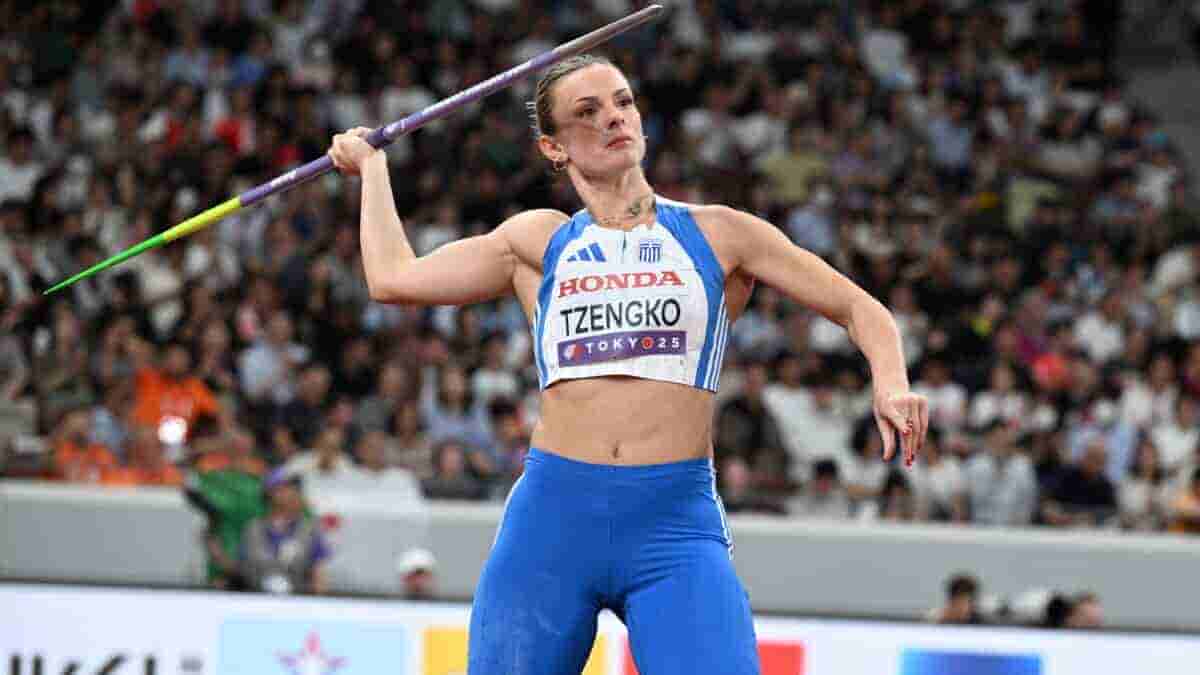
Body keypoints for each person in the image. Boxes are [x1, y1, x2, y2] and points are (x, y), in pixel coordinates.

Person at [327, 54, 929, 675]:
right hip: (552, 521)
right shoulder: (536, 241)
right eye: (587, 112)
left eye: (622, 101)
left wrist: (891, 382)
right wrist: (373, 169)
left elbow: (859, 307)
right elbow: (393, 279)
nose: (614, 118)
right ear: (553, 148)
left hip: (673, 525)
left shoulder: (721, 234)